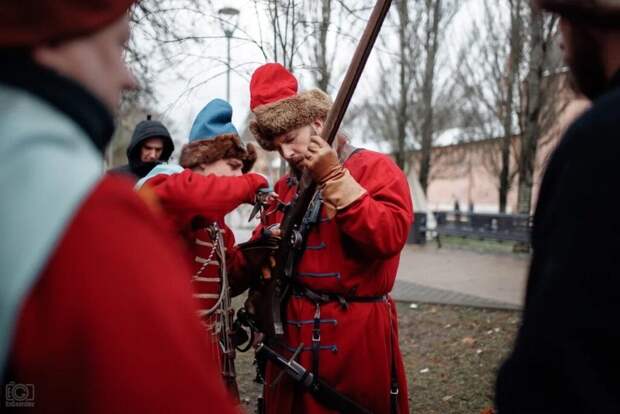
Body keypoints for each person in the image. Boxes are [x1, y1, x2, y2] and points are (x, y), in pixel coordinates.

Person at [0, 2, 236, 412]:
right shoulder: (96, 216)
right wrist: (252, 183)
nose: (127, 77)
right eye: (117, 44)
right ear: (53, 42)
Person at [245, 63, 412, 414]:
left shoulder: (375, 168)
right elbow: (269, 260)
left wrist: (334, 177)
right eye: (277, 147)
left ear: (318, 124)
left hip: (355, 339)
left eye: (290, 140)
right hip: (290, 336)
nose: (286, 153)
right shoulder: (284, 186)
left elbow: (388, 235)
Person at [495, 1, 620, 412]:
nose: (561, 46)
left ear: (591, 24)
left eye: (562, 21)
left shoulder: (600, 140)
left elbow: (560, 366)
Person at [137, 99, 268, 397]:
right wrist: (252, 183)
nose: (238, 177)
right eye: (233, 167)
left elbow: (229, 280)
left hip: (211, 355)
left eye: (243, 170)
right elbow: (193, 193)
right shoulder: (163, 186)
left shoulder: (215, 222)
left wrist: (262, 249)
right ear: (202, 162)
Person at [108, 115, 174, 180]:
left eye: (158, 150)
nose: (153, 155)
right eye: (148, 148)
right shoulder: (115, 176)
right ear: (138, 148)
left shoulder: (166, 179)